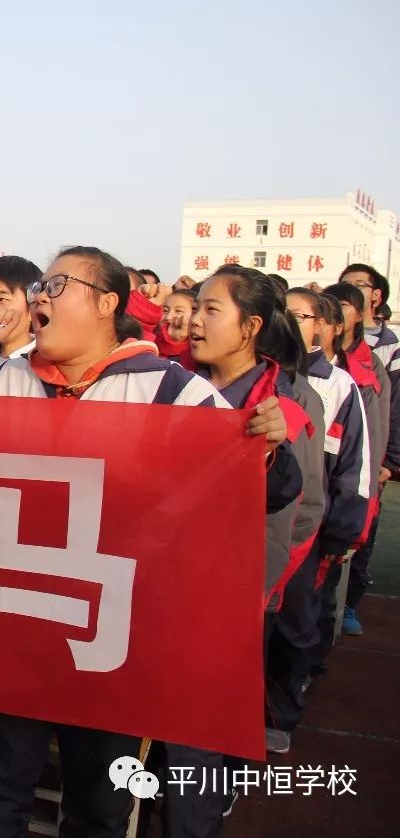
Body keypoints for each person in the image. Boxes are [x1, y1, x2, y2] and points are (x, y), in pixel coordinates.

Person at [0, 248, 295, 838]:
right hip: (15, 616)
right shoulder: (10, 376)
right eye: (40, 284)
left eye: (58, 284)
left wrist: (267, 444)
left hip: (112, 630)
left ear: (107, 303)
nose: (39, 296)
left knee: (99, 795)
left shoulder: (170, 389)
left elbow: (270, 488)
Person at [170, 266, 311, 830]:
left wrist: (260, 586)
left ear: (251, 326)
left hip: (224, 594)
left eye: (211, 310)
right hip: (160, 581)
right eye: (195, 307)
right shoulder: (169, 383)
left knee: (195, 741)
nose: (195, 321)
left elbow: (293, 503)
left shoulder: (280, 404)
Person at [265, 286, 369, 755]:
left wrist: (343, 530)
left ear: (324, 327)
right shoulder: (260, 381)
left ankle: (281, 714)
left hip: (306, 531)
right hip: (268, 530)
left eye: (299, 314)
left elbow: (352, 466)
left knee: (295, 627)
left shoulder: (335, 386)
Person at [336, 264, 397, 635]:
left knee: (359, 528)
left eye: (359, 288)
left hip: (369, 457)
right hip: (334, 457)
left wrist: (389, 459)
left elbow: (392, 409)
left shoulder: (382, 351)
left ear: (372, 298)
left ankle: (349, 604)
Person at [154, 287, 196, 366]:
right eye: (165, 310)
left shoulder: (198, 349)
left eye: (178, 311)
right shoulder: (151, 340)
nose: (168, 317)